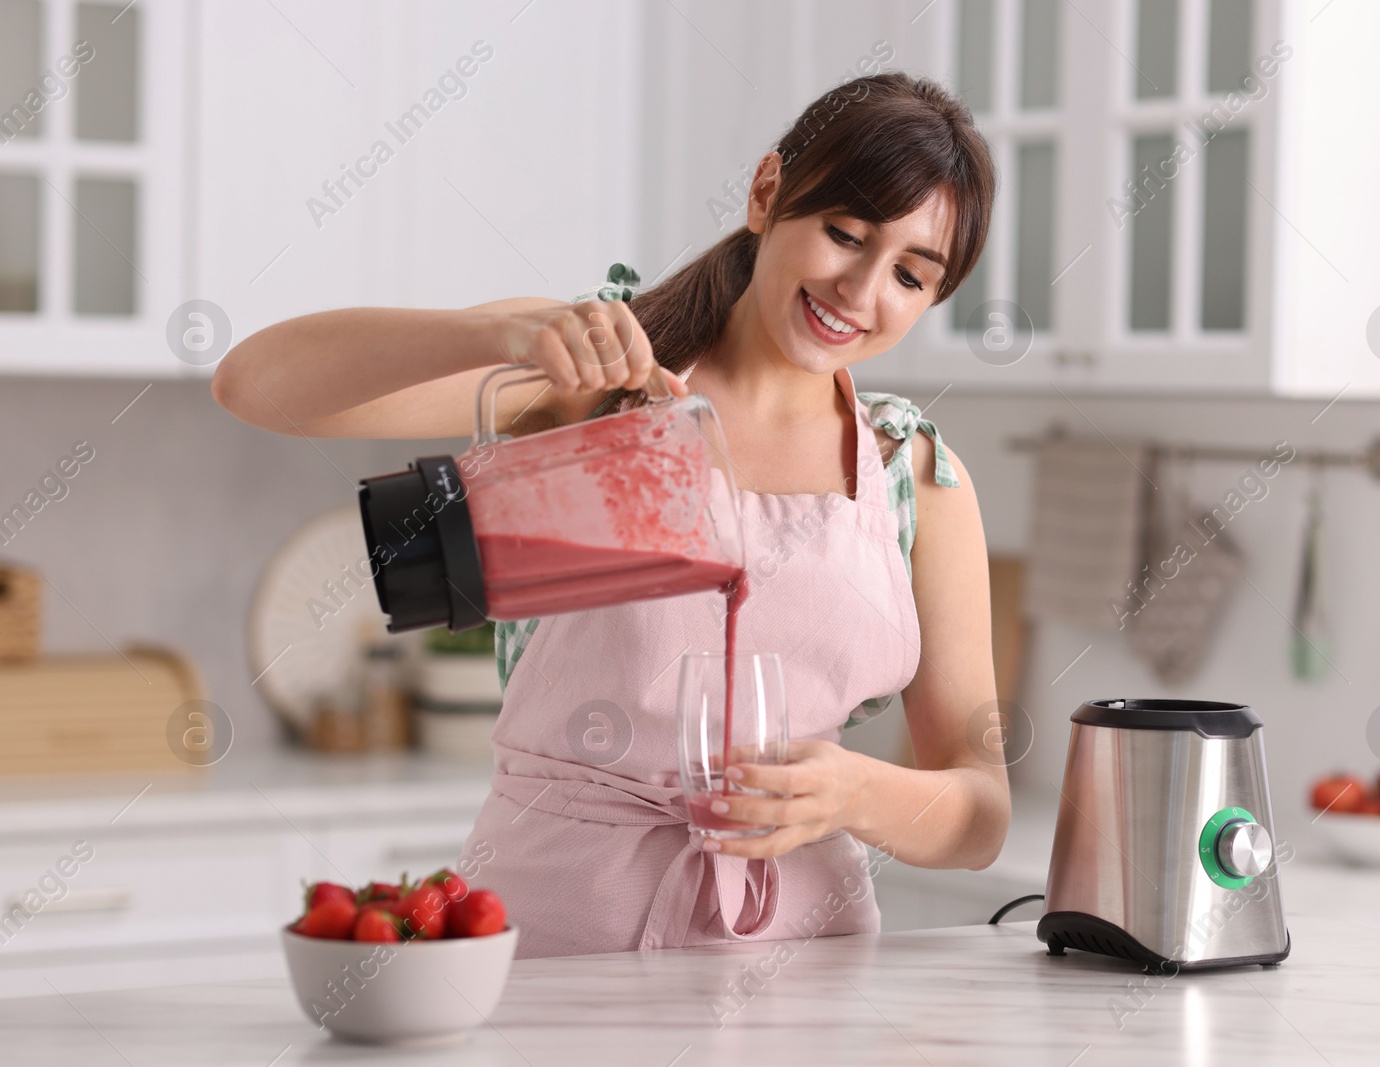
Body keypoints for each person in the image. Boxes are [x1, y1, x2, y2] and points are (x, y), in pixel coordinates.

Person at [213, 70, 1008, 957]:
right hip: (556, 939)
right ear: (766, 193)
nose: (861, 291)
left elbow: (979, 812)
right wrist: (502, 341)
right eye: (843, 233)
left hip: (805, 969)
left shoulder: (915, 476)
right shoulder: (593, 378)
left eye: (908, 273)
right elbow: (253, 384)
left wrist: (855, 795)